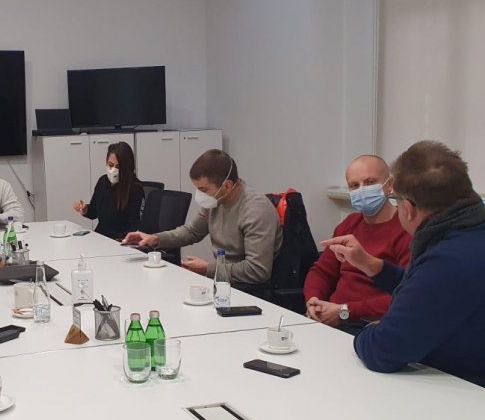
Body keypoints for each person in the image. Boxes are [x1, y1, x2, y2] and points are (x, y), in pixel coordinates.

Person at [322, 141, 485, 387]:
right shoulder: (469, 233)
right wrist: (376, 268)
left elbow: (382, 351)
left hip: (463, 392)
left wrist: (370, 329)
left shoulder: (448, 260)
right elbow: (422, 288)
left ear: (408, 208)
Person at [122, 149, 282, 284]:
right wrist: (155, 239)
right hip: (222, 281)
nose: (200, 195)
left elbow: (257, 270)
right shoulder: (217, 200)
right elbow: (192, 232)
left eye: (204, 190)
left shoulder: (256, 210)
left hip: (248, 290)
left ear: (227, 186)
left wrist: (208, 269)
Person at [304, 155, 411, 330]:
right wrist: (313, 300)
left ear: (390, 184)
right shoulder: (350, 224)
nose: (362, 190)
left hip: (369, 325)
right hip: (330, 319)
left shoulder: (406, 228)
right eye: (354, 186)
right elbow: (322, 271)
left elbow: (407, 294)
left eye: (370, 182)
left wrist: (344, 312)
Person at [72, 142, 144, 240]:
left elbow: (135, 226)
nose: (113, 170)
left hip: (120, 240)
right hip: (100, 237)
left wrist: (121, 241)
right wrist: (85, 209)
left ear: (126, 167)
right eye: (110, 165)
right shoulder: (103, 181)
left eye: (118, 167)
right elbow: (94, 211)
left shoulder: (135, 189)